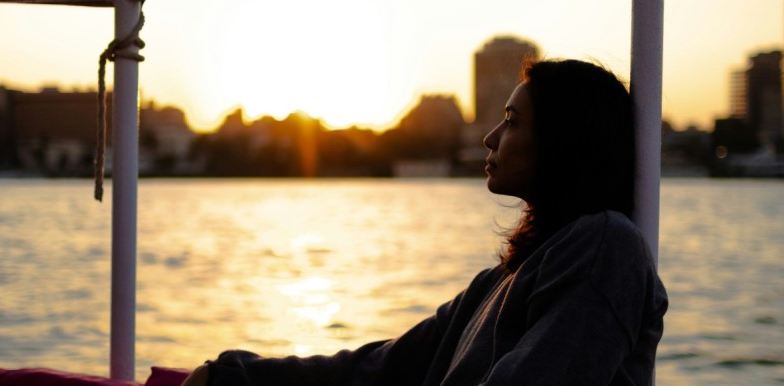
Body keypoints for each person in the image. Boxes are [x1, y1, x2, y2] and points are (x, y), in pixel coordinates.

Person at [181, 59, 668, 386]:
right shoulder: (504, 278)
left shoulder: (607, 247)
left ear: (565, 139)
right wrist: (235, 375)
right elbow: (388, 364)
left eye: (513, 121)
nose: (491, 138)